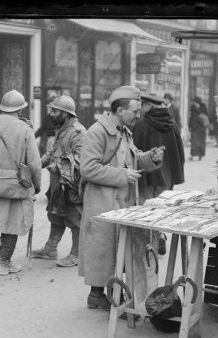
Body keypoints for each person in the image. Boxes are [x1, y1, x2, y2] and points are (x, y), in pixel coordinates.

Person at [78, 85, 164, 310]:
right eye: (134, 111)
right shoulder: (96, 132)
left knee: (117, 248)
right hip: (102, 202)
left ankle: (108, 292)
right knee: (103, 248)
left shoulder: (125, 131)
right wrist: (121, 175)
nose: (139, 115)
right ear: (119, 110)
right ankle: (97, 295)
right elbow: (88, 169)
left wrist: (150, 158)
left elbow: (132, 161)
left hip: (122, 202)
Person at [0, 90, 42, 275]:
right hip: (16, 186)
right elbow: (35, 164)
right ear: (20, 109)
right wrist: (36, 185)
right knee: (11, 225)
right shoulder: (25, 129)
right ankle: (4, 264)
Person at [31, 94, 86, 267]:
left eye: (55, 111)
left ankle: (76, 254)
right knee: (56, 216)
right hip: (57, 185)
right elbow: (54, 151)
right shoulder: (62, 129)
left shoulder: (78, 132)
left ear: (67, 114)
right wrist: (38, 163)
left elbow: (80, 159)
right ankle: (50, 249)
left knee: (74, 219)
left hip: (71, 185)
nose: (51, 114)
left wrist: (58, 167)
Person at [133, 92, 185, 255]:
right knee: (160, 209)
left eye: (143, 105)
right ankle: (160, 235)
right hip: (167, 178)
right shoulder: (173, 125)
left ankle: (149, 243)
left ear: (149, 106)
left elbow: (134, 150)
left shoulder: (141, 125)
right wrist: (175, 174)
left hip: (146, 176)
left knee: (145, 211)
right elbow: (180, 154)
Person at [188, 95, 210, 160]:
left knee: (201, 142)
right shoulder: (192, 107)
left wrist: (201, 115)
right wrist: (189, 125)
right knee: (193, 142)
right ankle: (192, 155)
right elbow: (191, 117)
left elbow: (207, 115)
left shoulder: (203, 106)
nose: (193, 103)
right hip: (194, 126)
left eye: (194, 102)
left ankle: (200, 155)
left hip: (201, 127)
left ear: (197, 102)